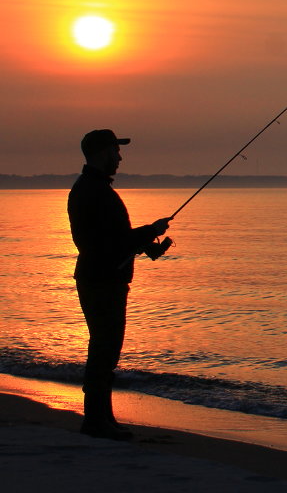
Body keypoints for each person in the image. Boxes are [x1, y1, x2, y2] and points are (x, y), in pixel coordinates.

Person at [67, 129, 173, 440]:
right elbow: (106, 243)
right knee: (104, 351)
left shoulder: (93, 188)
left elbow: (112, 240)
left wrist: (148, 245)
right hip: (102, 280)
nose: (120, 157)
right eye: (116, 150)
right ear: (102, 153)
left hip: (102, 276)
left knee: (105, 350)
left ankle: (102, 418)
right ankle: (96, 421)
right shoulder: (93, 191)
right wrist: (148, 231)